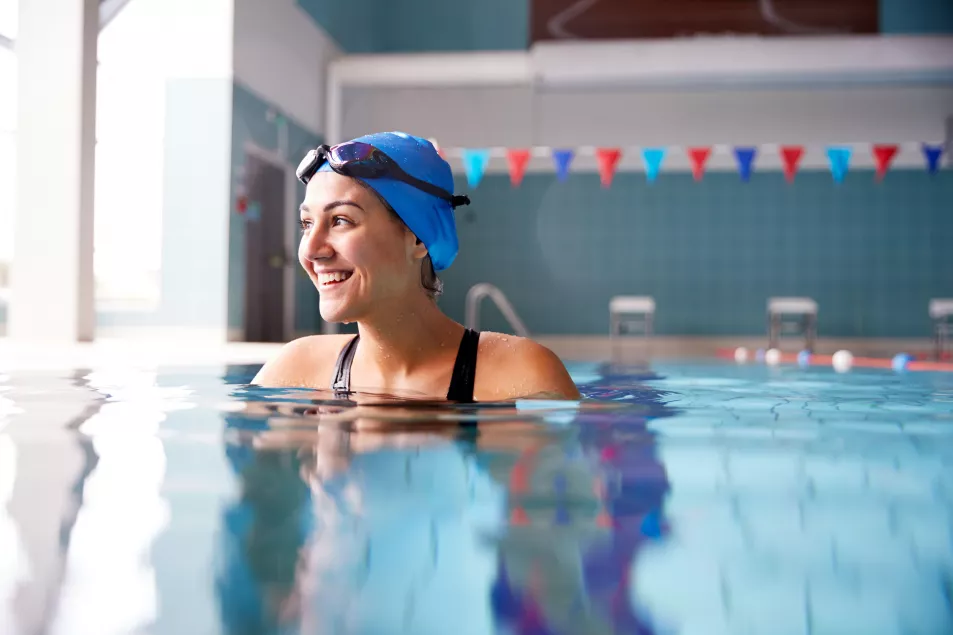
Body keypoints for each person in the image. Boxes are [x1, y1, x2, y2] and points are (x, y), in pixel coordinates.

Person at [252, 132, 579, 402]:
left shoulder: (523, 378)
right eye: (307, 223)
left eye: (340, 220)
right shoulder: (295, 371)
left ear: (417, 238)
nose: (310, 249)